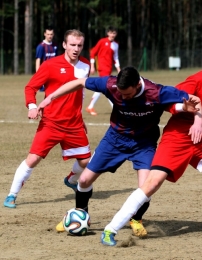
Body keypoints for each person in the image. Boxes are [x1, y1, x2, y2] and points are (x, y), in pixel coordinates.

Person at [100, 50, 202, 246]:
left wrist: (199, 125)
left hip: (201, 141)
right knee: (152, 184)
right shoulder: (198, 80)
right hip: (176, 139)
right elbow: (169, 102)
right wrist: (190, 114)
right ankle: (110, 230)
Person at [37, 66, 202, 236]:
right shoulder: (111, 84)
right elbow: (79, 82)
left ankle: (136, 219)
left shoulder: (157, 92)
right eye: (121, 94)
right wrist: (50, 97)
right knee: (85, 180)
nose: (123, 98)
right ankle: (80, 214)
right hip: (115, 139)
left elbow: (195, 100)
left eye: (128, 95)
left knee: (146, 187)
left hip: (144, 143)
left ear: (138, 85)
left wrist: (197, 121)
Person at [3, 29, 91, 209]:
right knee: (33, 159)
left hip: (74, 124)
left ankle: (71, 179)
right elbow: (30, 87)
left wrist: (81, 119)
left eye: (79, 45)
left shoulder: (85, 65)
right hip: (51, 122)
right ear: (64, 45)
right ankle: (11, 195)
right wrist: (32, 106)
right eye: (72, 45)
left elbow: (80, 95)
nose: (76, 49)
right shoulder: (50, 65)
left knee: (85, 162)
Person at [86, 26, 121, 116]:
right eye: (111, 32)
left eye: (114, 33)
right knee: (105, 87)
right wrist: (92, 66)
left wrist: (118, 69)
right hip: (102, 68)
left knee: (105, 88)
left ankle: (114, 108)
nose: (112, 35)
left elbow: (115, 58)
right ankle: (91, 106)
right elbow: (93, 53)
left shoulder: (116, 45)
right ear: (108, 33)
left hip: (109, 68)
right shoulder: (102, 41)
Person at [35, 25, 58, 92]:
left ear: (53, 34)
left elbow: (57, 59)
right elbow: (38, 61)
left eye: (51, 34)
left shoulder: (55, 46)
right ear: (44, 34)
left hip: (54, 73)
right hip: (45, 74)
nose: (49, 36)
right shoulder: (41, 46)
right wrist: (38, 75)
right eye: (48, 34)